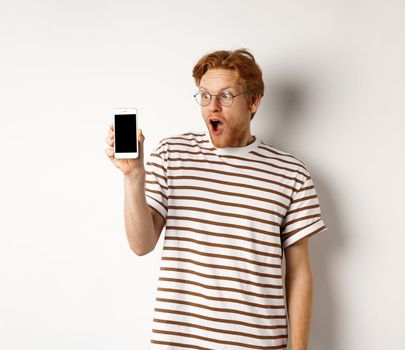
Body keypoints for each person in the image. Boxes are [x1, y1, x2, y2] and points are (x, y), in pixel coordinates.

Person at [104, 49, 327, 350]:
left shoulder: (291, 173)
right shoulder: (172, 155)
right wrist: (133, 176)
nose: (213, 107)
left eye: (225, 96)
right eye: (205, 96)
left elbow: (299, 272)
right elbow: (141, 245)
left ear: (253, 101)